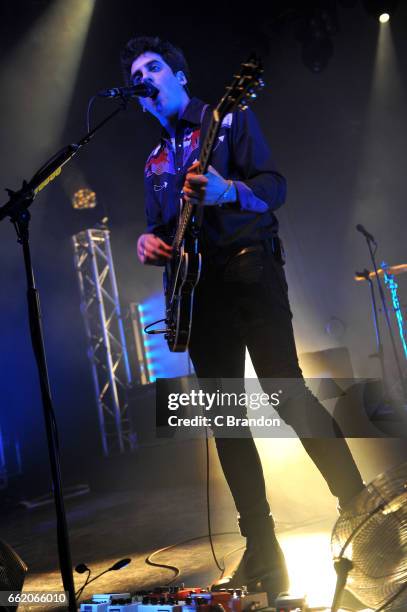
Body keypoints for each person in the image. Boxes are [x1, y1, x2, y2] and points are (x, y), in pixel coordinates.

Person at [121, 36, 365, 602]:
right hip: (199, 292)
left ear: (178, 77)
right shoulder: (154, 162)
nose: (145, 77)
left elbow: (273, 186)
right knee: (228, 420)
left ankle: (361, 511)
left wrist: (228, 191)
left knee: (286, 396)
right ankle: (263, 548)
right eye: (136, 73)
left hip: (249, 267)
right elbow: (163, 229)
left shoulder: (228, 117)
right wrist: (147, 243)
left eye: (154, 66)